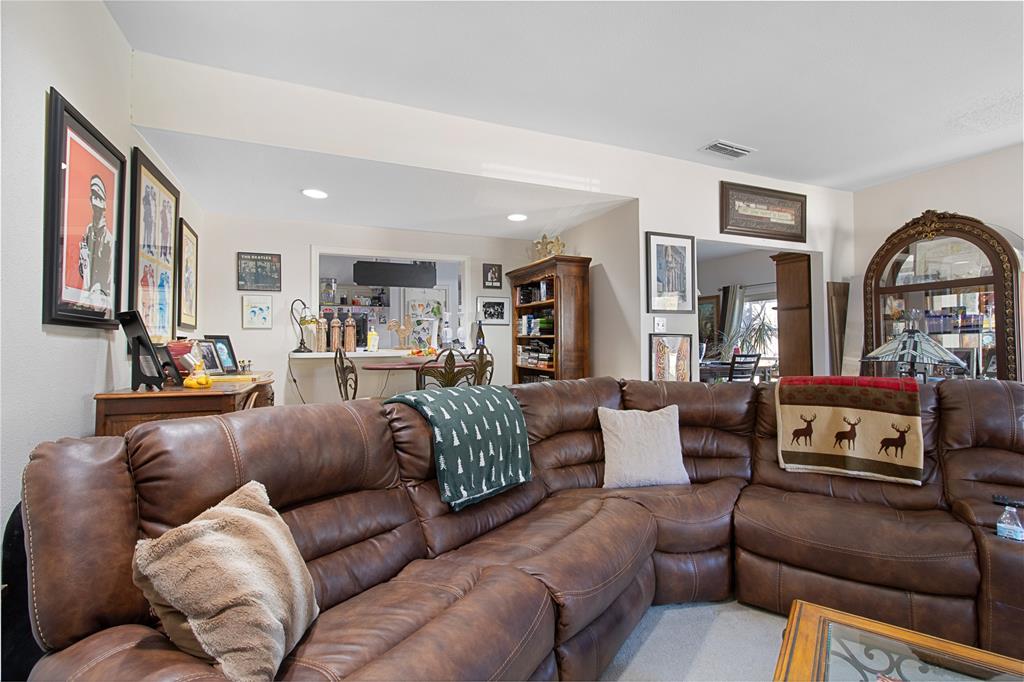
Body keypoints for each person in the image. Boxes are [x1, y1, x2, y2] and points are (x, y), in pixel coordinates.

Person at [78, 175, 114, 300]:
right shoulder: (88, 231)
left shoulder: (108, 240)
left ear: (104, 204)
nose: (96, 202)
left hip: (99, 297)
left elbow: (108, 281)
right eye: (94, 197)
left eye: (99, 198)